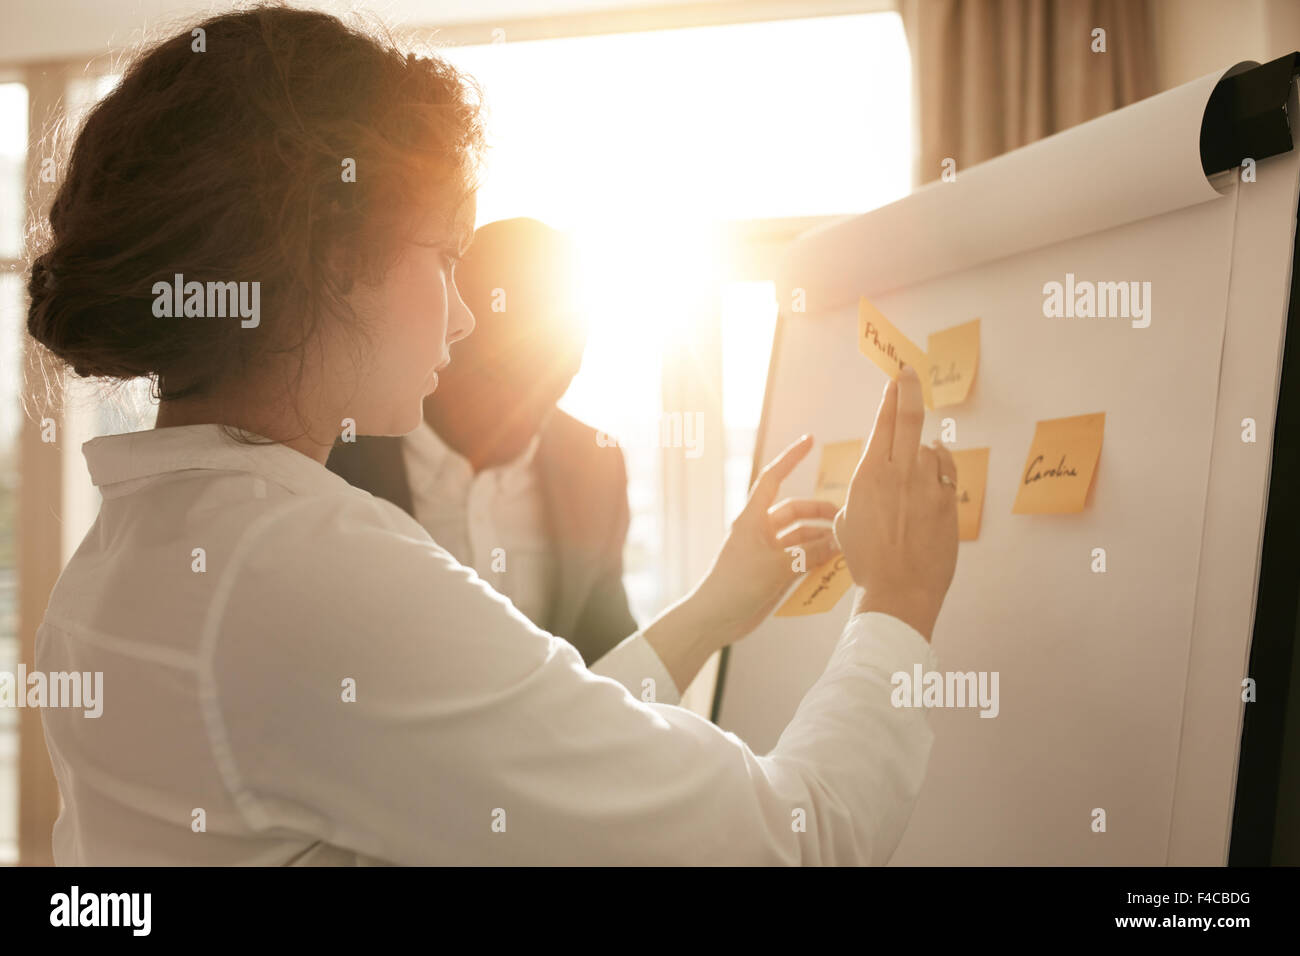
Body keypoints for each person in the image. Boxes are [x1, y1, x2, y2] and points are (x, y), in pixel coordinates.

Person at [27, 6, 959, 865]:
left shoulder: (121, 556)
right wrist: (899, 603)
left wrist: (713, 608)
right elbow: (786, 845)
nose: (467, 319)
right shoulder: (314, 566)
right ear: (333, 262)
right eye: (443, 255)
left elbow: (510, 755)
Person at [327, 218, 637, 664]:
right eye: (500, 381)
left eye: (554, 382)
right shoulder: (338, 453)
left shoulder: (595, 465)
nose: (526, 415)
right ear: (448, 341)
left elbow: (606, 649)